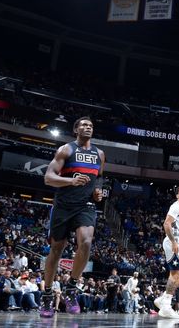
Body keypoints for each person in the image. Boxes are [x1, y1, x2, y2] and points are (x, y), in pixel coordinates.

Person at [41, 116, 105, 318]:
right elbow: (48, 178)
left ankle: (71, 288)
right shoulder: (66, 150)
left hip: (85, 206)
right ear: (76, 129)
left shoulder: (99, 154)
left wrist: (97, 192)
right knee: (56, 250)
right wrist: (71, 181)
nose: (88, 127)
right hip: (63, 206)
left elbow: (99, 179)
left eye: (91, 125)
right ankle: (47, 294)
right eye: (84, 125)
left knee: (86, 242)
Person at [154, 185, 179, 319]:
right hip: (173, 242)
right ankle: (166, 305)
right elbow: (167, 224)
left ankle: (163, 299)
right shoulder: (176, 206)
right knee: (175, 273)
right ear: (177, 195)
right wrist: (173, 242)